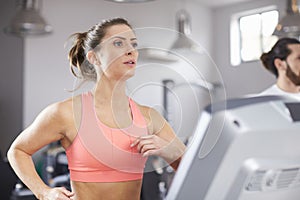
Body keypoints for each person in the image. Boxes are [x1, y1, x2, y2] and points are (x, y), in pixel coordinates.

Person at [7, 18, 186, 200]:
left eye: (134, 44)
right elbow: (18, 151)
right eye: (118, 43)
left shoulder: (150, 117)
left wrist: (168, 150)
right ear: (94, 57)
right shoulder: (65, 113)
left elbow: (192, 168)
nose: (131, 50)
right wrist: (43, 192)